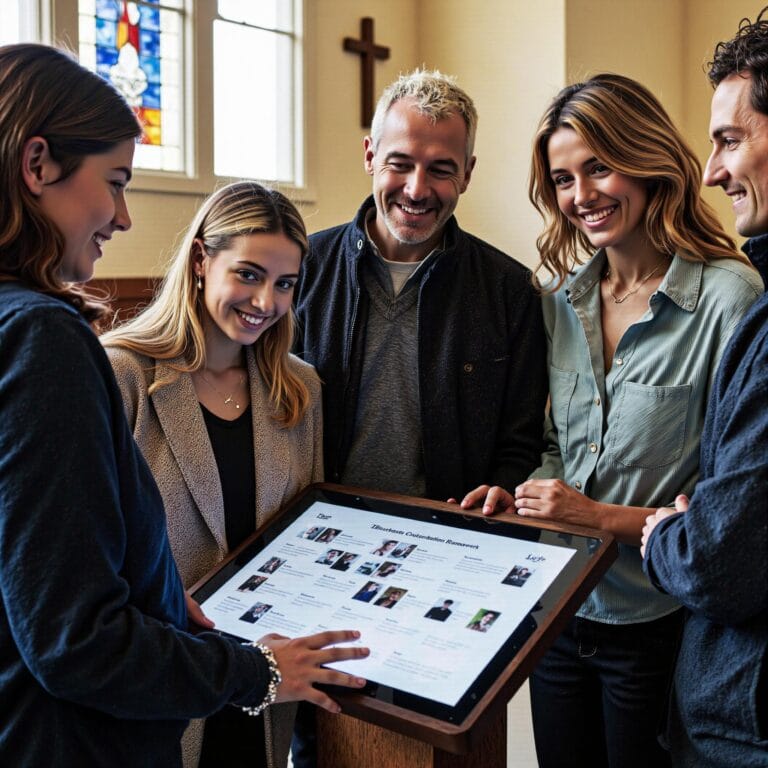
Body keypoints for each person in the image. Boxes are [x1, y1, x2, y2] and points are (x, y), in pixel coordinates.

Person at [0, 43, 368, 767]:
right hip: (88, 729)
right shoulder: (50, 340)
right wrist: (245, 669)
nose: (123, 216)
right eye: (114, 181)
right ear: (38, 164)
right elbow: (75, 635)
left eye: (287, 284)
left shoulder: (300, 386)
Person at [460, 74, 762, 768]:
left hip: (659, 624)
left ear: (647, 156)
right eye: (564, 179)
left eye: (599, 166)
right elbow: (556, 448)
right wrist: (527, 492)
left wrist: (596, 514)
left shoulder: (729, 297)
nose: (582, 195)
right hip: (557, 615)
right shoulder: (560, 304)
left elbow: (726, 503)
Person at [101, 179, 328, 767]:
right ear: (202, 259)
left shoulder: (298, 389)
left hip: (265, 685)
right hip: (159, 690)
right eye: (248, 274)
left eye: (284, 284)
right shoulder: (120, 374)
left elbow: (305, 540)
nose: (265, 302)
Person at [294, 69, 547, 504]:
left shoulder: (512, 291)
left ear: (467, 174)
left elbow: (521, 439)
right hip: (317, 524)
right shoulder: (302, 269)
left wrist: (499, 490)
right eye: (401, 164)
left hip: (448, 535)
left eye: (441, 169)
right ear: (371, 156)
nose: (416, 189)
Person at [642, 11, 768, 766]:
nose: (714, 172)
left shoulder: (737, 299)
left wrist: (668, 533)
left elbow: (721, 563)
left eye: (728, 139)